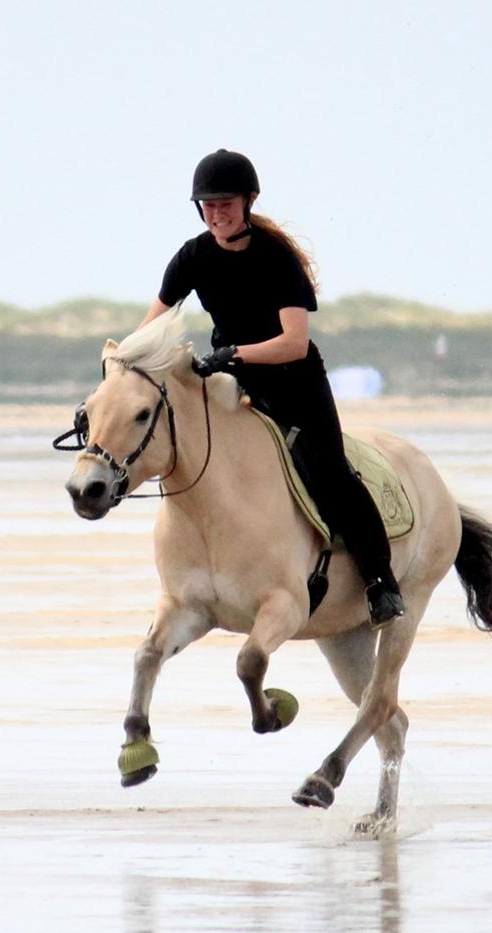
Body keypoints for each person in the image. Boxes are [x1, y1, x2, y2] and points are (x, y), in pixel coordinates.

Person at [138, 148, 405, 628]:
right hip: (234, 379)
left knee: (331, 473)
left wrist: (234, 352)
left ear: (249, 200)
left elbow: (293, 344)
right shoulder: (192, 256)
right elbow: (150, 327)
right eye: (208, 205)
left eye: (226, 203)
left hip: (294, 383)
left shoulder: (276, 258)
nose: (216, 214)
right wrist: (124, 367)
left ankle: (380, 582)